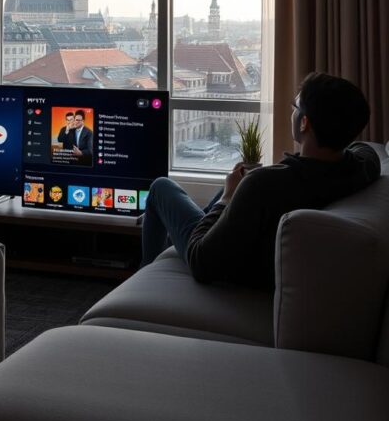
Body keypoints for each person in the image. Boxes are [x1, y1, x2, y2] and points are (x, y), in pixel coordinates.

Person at [142, 72, 380, 288]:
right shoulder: (363, 167)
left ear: (304, 122)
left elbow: (202, 263)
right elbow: (364, 148)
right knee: (226, 189)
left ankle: (145, 277)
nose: (292, 113)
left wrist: (228, 196)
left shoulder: (264, 183)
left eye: (295, 107)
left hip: (233, 267)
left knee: (161, 187)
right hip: (261, 257)